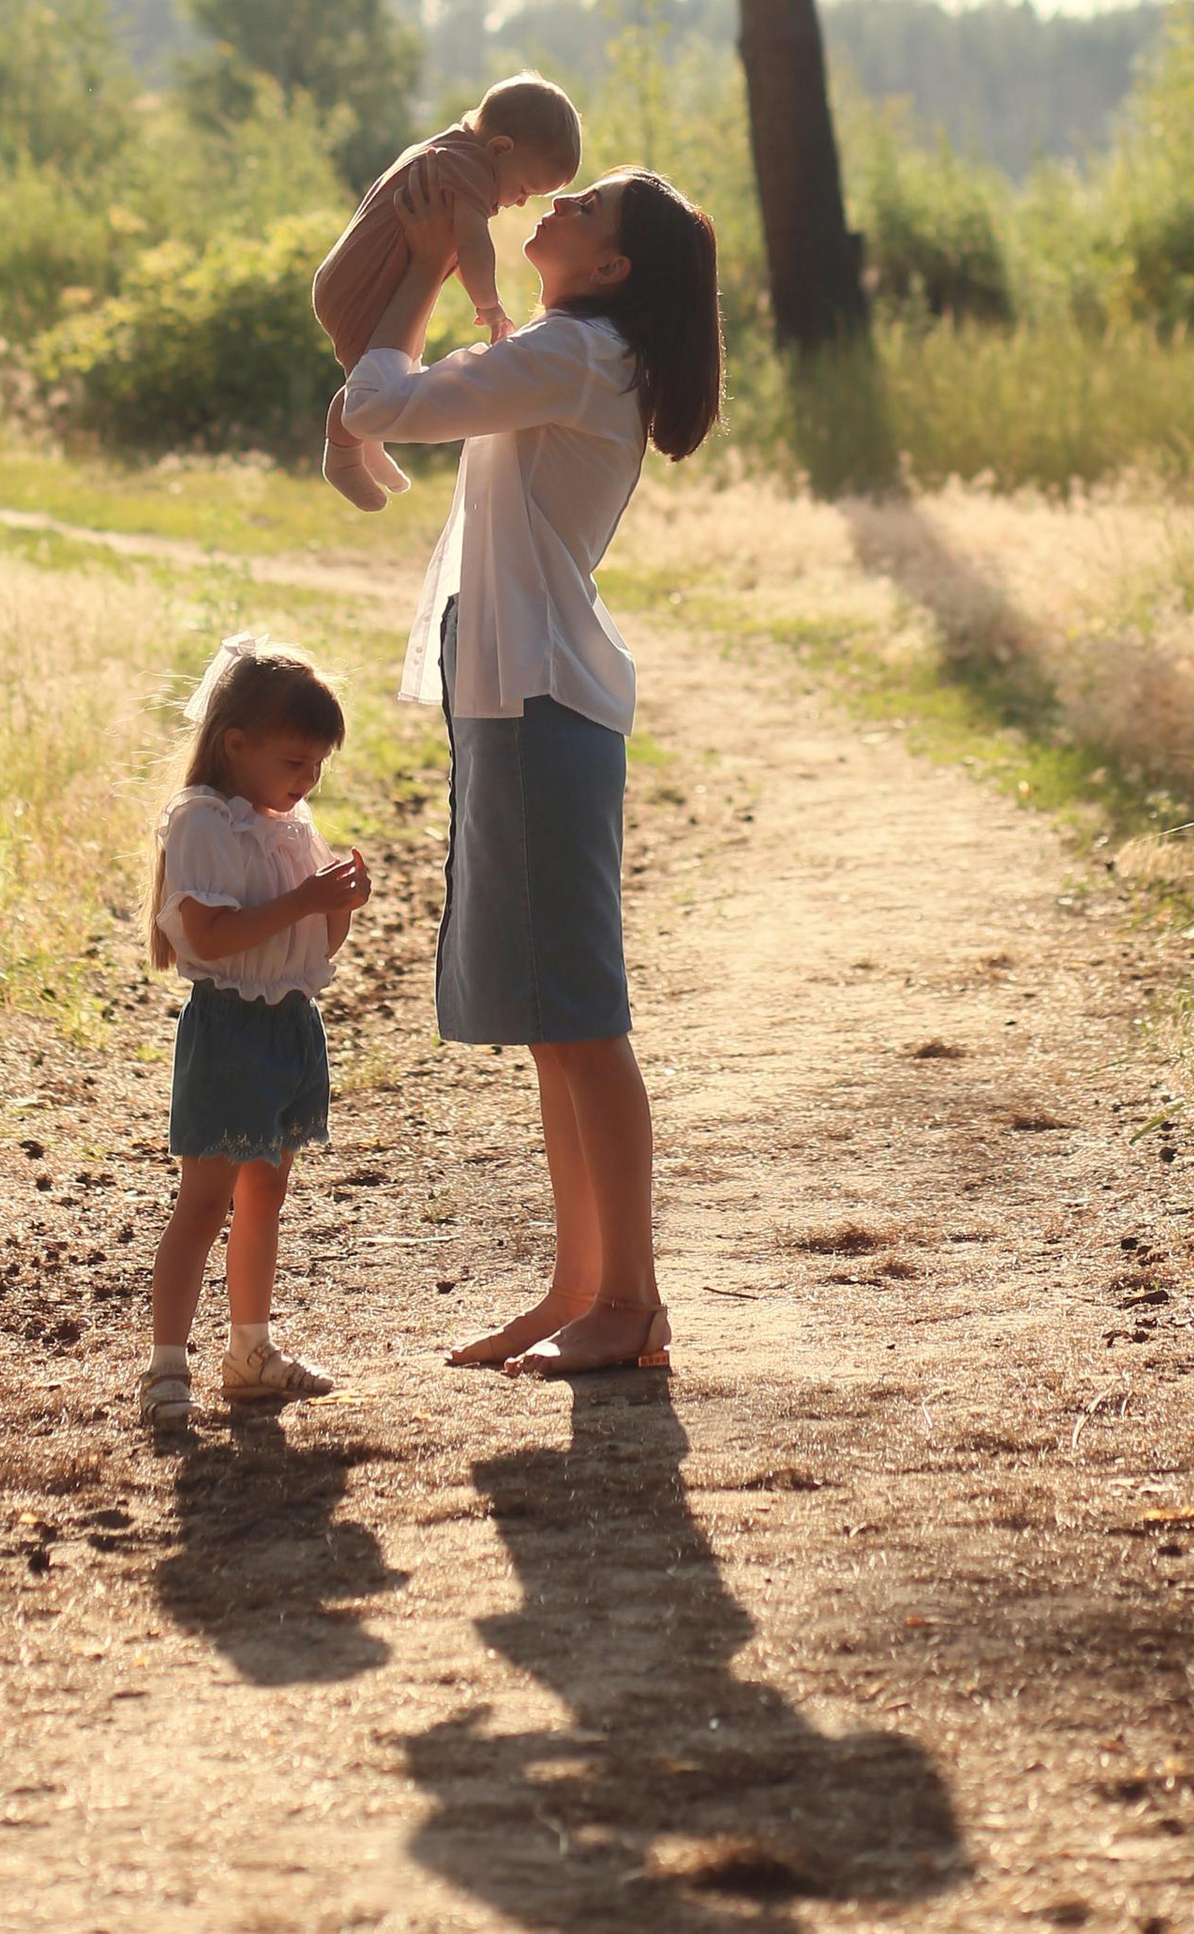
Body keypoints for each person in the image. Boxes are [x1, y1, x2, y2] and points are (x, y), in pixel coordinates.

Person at [339, 162, 722, 1378]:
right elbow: (467, 383)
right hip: (521, 704)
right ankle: (580, 1285)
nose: (555, 210)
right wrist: (473, 283)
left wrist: (419, 283)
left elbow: (375, 405)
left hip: (544, 705)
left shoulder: (578, 357)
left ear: (609, 268)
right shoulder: (572, 352)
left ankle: (634, 1305)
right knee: (558, 1025)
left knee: (583, 1021)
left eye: (584, 209)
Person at [142, 636, 371, 1436]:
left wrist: (336, 904)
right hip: (231, 1028)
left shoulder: (287, 822)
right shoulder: (203, 822)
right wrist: (305, 900)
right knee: (203, 1201)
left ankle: (250, 1352)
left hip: (288, 1027)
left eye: (317, 767)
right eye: (293, 761)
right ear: (235, 744)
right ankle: (168, 1365)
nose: (306, 781)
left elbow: (314, 949)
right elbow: (210, 934)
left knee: (266, 1192)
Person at [311, 75, 583, 513]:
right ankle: (342, 456)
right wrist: (489, 306)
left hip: (356, 276)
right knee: (381, 374)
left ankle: (367, 442)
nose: (516, 203)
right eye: (523, 190)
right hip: (363, 282)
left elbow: (450, 246)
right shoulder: (468, 170)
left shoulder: (451, 152)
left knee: (390, 364)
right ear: (500, 148)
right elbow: (473, 244)